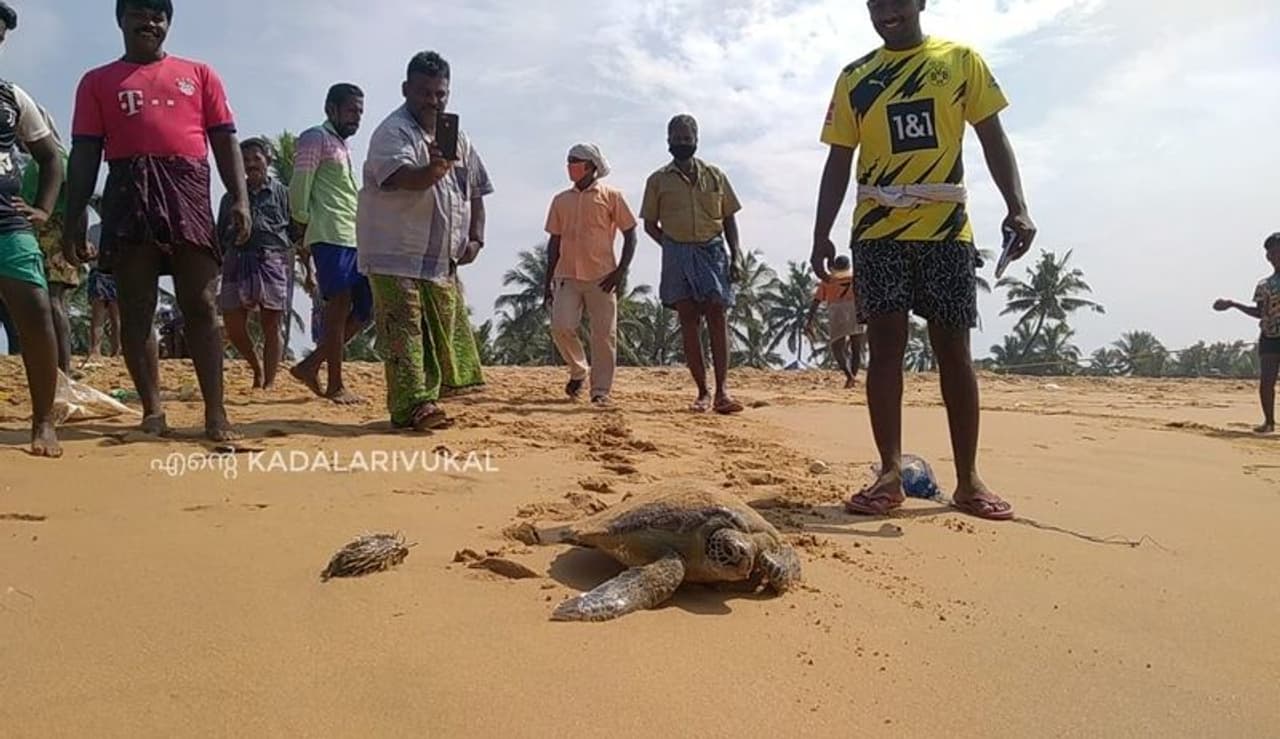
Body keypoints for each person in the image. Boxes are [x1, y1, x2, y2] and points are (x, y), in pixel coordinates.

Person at [811, 0, 1037, 521]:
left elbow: (992, 136)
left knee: (954, 350)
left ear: (920, 3)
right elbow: (839, 158)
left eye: (896, 0)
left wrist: (1018, 207)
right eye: (875, 3)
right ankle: (889, 474)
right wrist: (821, 231)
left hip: (947, 230)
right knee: (886, 348)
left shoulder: (961, 61)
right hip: (877, 230)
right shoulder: (856, 78)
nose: (886, 10)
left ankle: (968, 480)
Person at [62, 0, 251, 442]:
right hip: (129, 190)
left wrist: (239, 198)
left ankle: (216, 412)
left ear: (168, 23)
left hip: (187, 187)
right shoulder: (97, 81)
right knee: (136, 307)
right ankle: (152, 411)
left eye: (158, 15)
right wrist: (73, 217)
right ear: (121, 21)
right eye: (139, 14)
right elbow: (86, 152)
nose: (150, 22)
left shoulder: (200, 74)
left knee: (201, 303)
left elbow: (225, 140)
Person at [356, 50, 491, 431]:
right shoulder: (391, 132)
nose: (433, 100)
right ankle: (415, 406)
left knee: (439, 330)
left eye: (440, 93)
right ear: (406, 90)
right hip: (394, 252)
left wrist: (477, 237)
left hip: (439, 258)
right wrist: (432, 170)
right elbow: (402, 178)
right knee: (405, 329)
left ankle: (431, 397)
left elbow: (477, 188)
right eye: (424, 93)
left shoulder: (457, 137)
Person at [640, 114, 744, 415]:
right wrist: (673, 249)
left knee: (716, 312)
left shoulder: (715, 175)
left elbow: (729, 219)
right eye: (677, 138)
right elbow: (649, 224)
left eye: (687, 138)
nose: (682, 143)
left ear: (696, 140)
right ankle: (702, 391)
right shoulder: (657, 180)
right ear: (668, 140)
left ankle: (723, 391)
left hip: (713, 251)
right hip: (676, 252)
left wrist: (735, 255)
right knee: (687, 318)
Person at [0, 73, 67, 456]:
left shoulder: (13, 95)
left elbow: (51, 157)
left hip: (8, 224)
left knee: (38, 313)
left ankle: (43, 420)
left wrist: (42, 208)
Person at [288, 83, 367, 403]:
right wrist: (301, 222)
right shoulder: (314, 137)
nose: (356, 118)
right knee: (338, 306)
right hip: (328, 233)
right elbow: (300, 183)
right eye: (351, 110)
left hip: (353, 235)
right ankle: (335, 384)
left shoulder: (343, 147)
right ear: (331, 109)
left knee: (365, 308)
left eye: (360, 112)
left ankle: (310, 364)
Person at [543, 143, 637, 405]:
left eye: (575, 160)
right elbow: (554, 241)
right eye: (568, 160)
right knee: (561, 326)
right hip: (567, 275)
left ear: (591, 165)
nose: (570, 165)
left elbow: (630, 233)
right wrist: (547, 279)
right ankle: (578, 369)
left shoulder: (612, 196)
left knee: (604, 334)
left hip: (602, 275)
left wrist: (621, 271)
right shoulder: (560, 200)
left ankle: (601, 392)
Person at [218, 137, 293, 389]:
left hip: (272, 259)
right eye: (245, 160)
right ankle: (255, 366)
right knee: (233, 325)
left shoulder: (283, 193)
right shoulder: (230, 197)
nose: (251, 164)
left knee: (272, 324)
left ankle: (269, 383)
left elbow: (294, 231)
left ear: (268, 161)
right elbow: (219, 235)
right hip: (236, 259)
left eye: (256, 158)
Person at [19, 106, 81, 374]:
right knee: (56, 303)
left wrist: (74, 241)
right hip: (54, 232)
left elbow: (77, 205)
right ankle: (60, 365)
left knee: (52, 301)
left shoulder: (48, 162)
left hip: (51, 233)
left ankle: (62, 367)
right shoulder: (61, 160)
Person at [1214, 234, 1280, 435]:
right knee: (1267, 381)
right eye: (1271, 251)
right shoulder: (1264, 285)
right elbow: (1259, 312)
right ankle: (1269, 422)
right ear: (1268, 256)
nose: (1274, 254)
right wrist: (1233, 304)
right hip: (1270, 336)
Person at [805, 254, 865, 388]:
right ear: (848, 266)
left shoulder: (828, 280)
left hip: (837, 310)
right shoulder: (856, 278)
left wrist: (809, 320)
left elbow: (816, 301)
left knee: (837, 347)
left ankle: (849, 376)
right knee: (856, 348)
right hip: (856, 309)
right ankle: (852, 379)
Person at [85, 195, 121, 358]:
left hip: (115, 273)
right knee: (97, 315)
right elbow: (88, 252)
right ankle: (95, 349)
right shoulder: (93, 230)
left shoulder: (118, 230)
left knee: (116, 316)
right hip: (98, 271)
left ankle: (117, 349)